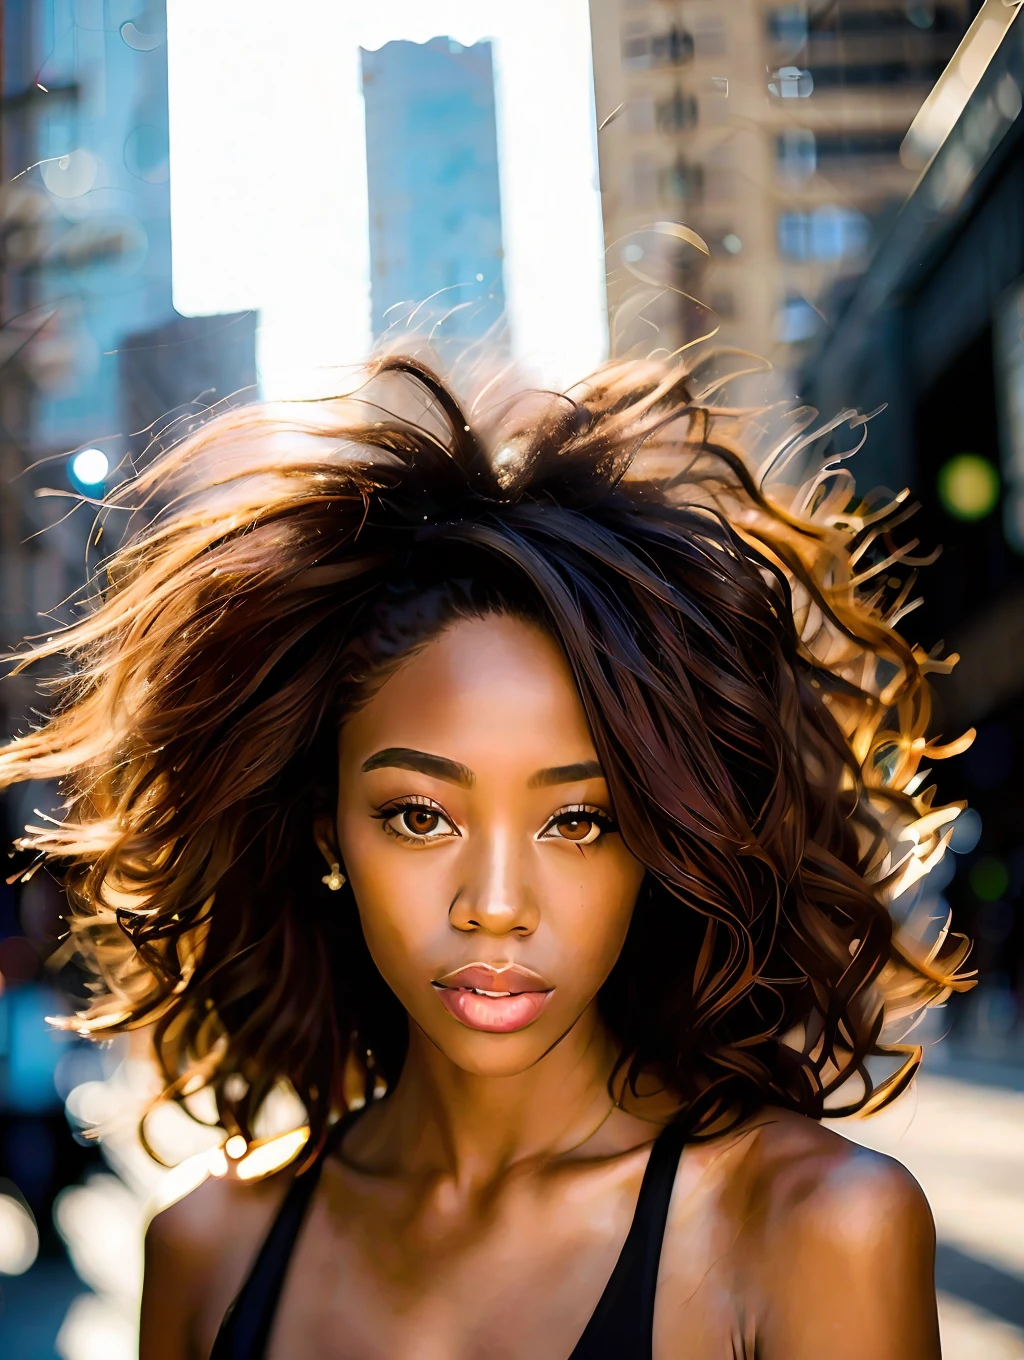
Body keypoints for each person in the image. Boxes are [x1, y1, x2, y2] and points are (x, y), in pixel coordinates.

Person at [0, 352, 970, 1358]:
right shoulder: (209, 1250)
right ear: (330, 828)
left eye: (577, 819)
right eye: (421, 815)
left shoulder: (812, 1233)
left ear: (657, 839)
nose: (496, 905)